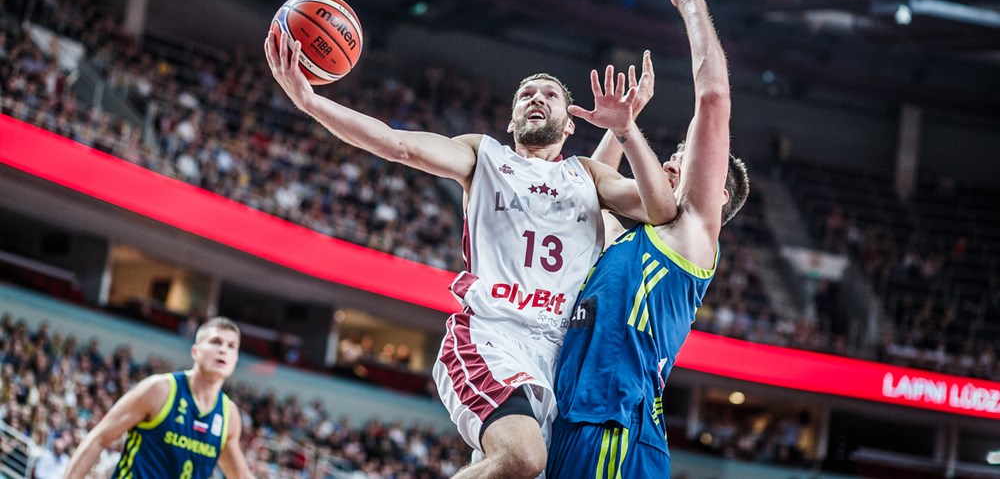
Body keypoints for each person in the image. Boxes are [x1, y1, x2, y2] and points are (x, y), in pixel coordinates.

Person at [265, 25, 677, 478]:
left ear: (571, 122)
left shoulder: (588, 176)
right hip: (491, 336)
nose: (536, 98)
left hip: (563, 357)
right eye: (525, 94)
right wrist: (310, 101)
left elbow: (661, 208)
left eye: (549, 95)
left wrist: (626, 130)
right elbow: (396, 143)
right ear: (510, 118)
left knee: (513, 467)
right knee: (524, 457)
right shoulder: (485, 157)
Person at [546, 0, 751, 478]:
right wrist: (622, 124)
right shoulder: (628, 236)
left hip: (617, 428)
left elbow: (713, 99)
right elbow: (591, 188)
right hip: (570, 420)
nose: (671, 159)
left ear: (718, 195)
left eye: (681, 158)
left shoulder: (694, 232)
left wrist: (690, 6)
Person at [63, 317, 254, 479]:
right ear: (195, 351)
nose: (223, 350)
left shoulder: (228, 415)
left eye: (231, 346)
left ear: (236, 358)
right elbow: (97, 439)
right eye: (216, 342)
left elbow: (240, 475)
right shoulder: (159, 390)